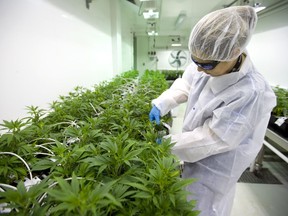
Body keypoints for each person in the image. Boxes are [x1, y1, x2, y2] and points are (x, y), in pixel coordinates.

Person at [149, 6, 276, 216]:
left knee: (203, 208)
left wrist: (168, 144)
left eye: (205, 65)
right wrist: (163, 103)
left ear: (234, 53)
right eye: (195, 61)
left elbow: (214, 138)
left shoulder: (251, 91)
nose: (199, 69)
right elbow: (186, 84)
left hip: (216, 169)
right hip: (195, 154)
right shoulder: (209, 59)